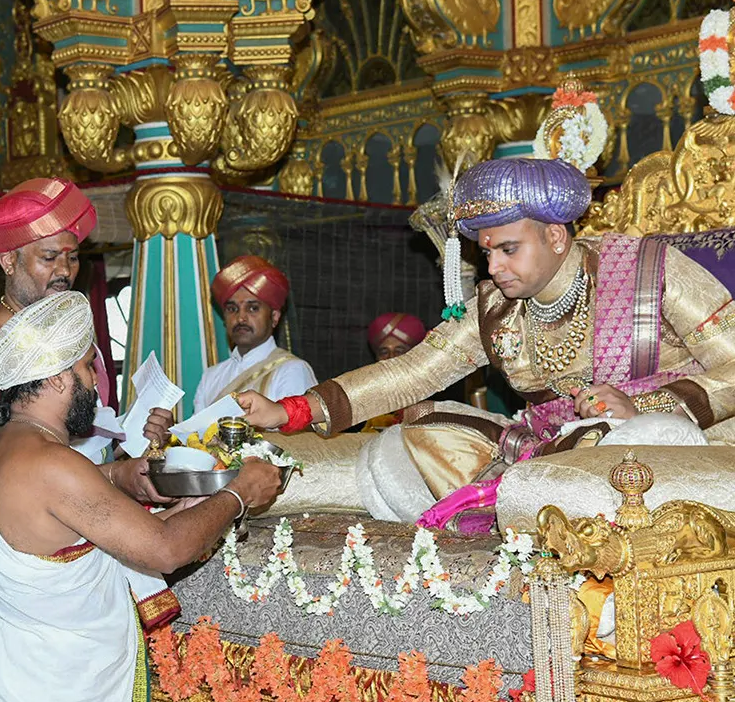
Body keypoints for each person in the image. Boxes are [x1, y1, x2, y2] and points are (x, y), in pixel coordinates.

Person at [239, 155, 735, 530]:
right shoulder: (495, 306)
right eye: (487, 251)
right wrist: (291, 412)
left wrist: (645, 407)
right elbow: (415, 372)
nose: (494, 267)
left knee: (628, 445)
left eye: (509, 249)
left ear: (557, 237)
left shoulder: (650, 271)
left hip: (667, 449)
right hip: (553, 453)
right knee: (408, 442)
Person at [0, 291, 283, 702]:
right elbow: (165, 549)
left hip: (1, 691)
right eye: (83, 368)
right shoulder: (52, 463)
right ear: (57, 380)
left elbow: (69, 513)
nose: (95, 381)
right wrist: (239, 493)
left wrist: (123, 479)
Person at [0, 176, 179, 629]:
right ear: (9, 259)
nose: (65, 270)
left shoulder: (66, 338)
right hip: (33, 558)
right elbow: (2, 474)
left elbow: (75, 437)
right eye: (49, 256)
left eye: (72, 257)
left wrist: (135, 440)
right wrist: (114, 475)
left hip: (86, 515)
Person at [192, 256, 318, 414]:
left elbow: (299, 438)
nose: (240, 318)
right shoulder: (210, 377)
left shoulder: (292, 371)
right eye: (232, 309)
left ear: (274, 317)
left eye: (253, 308)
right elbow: (195, 437)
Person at [360, 313, 428, 432]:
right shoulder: (364, 398)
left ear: (414, 356)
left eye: (399, 351)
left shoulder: (433, 392)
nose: (391, 358)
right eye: (384, 352)